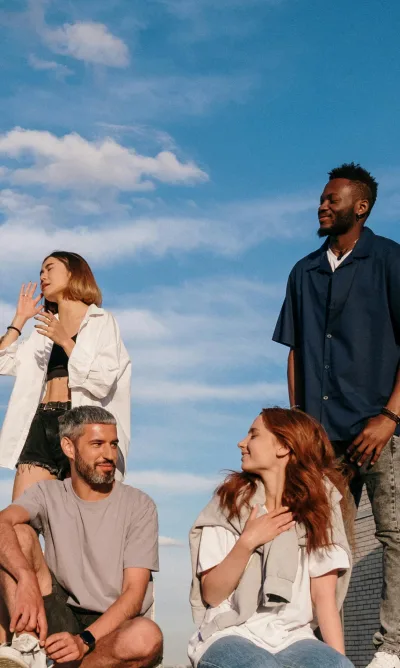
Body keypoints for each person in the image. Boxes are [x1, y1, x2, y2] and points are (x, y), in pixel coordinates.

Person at [272, 162, 400, 668]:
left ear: (360, 207)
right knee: (322, 542)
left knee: (394, 537)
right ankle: (325, 649)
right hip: (322, 439)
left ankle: (391, 649)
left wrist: (390, 417)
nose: (322, 205)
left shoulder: (390, 260)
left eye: (332, 199)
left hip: (381, 431)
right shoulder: (302, 271)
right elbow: (295, 352)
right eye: (322, 199)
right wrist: (298, 424)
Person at [188, 407, 354, 668]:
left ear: (283, 447)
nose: (241, 443)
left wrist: (339, 661)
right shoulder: (228, 503)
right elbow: (212, 594)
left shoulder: (321, 509)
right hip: (230, 631)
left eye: (253, 435)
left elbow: (324, 598)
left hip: (294, 637)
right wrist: (247, 542)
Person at [0, 405, 162, 668]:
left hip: (110, 625)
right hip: (59, 611)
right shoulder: (47, 493)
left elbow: (134, 595)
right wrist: (25, 576)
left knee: (146, 636)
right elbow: (2, 523)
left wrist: (84, 640)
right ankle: (27, 647)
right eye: (97, 444)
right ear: (69, 447)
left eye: (113, 444)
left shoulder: (140, 505)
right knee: (16, 532)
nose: (108, 454)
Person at [0, 251, 131, 500]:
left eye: (49, 268)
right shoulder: (44, 328)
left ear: (73, 273)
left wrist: (66, 341)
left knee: (80, 516)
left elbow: (102, 381)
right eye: (40, 271)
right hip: (41, 423)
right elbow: (3, 362)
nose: (42, 276)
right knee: (21, 515)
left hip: (83, 425)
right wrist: (20, 319)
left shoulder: (101, 321)